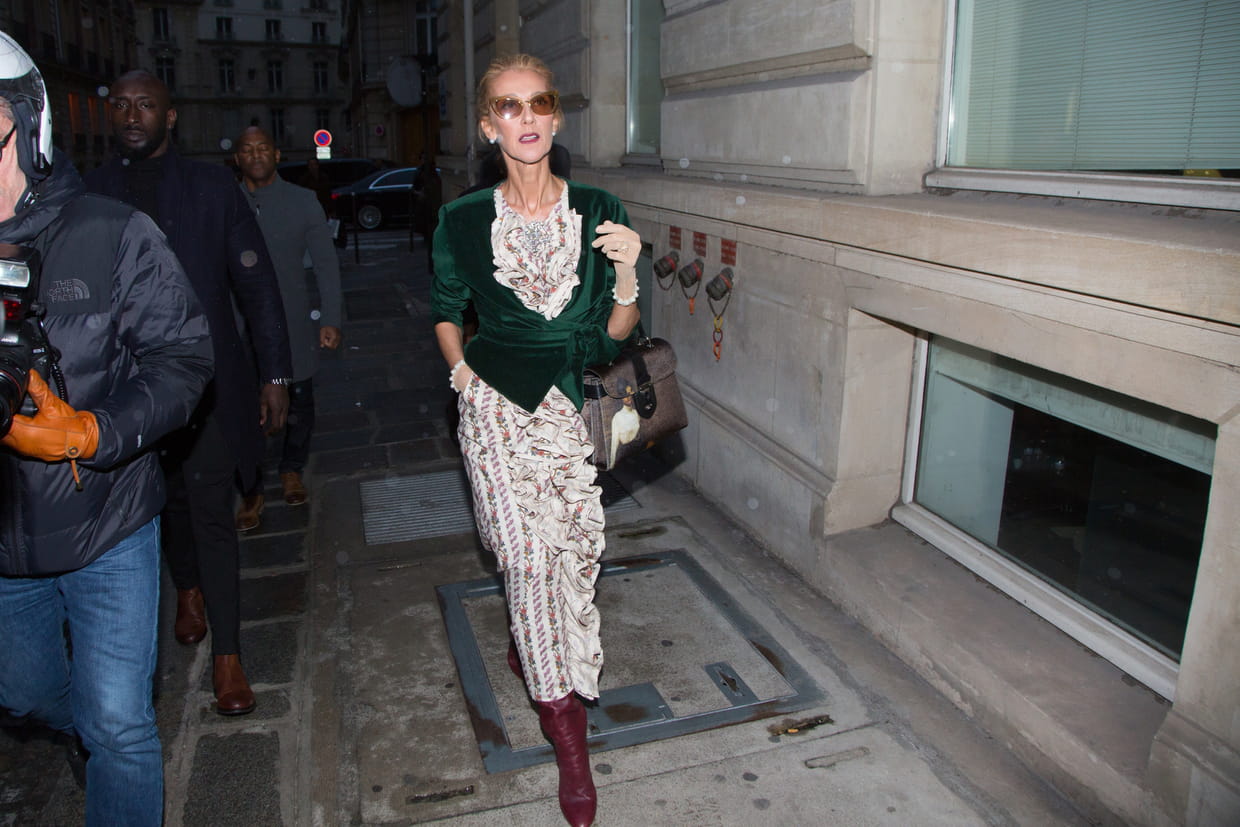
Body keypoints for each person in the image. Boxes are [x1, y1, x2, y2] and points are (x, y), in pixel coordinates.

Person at [0, 33, 213, 825]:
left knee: (121, 724)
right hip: (6, 537)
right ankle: (80, 724)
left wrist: (90, 433)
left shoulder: (111, 230)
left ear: (28, 123)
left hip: (108, 520)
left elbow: (183, 359)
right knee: (25, 694)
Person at [431, 54, 641, 827]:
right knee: (521, 558)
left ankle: (535, 645)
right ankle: (568, 739)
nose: (526, 117)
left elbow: (613, 335)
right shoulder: (460, 219)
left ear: (556, 116)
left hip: (565, 410)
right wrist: (461, 372)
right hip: (492, 406)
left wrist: (628, 274)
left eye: (539, 102)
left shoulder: (598, 207)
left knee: (571, 558)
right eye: (509, 106)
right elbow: (446, 306)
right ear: (490, 126)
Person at [86, 70, 293, 717]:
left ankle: (229, 656)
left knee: (212, 513)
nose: (132, 115)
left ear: (169, 116)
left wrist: (275, 374)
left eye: (146, 104)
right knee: (167, 503)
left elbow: (256, 283)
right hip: (125, 391)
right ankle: (188, 588)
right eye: (122, 105)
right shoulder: (91, 194)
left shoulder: (210, 187)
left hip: (206, 386)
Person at [233, 126, 342, 523]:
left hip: (292, 319)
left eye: (263, 148)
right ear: (237, 158)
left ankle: (292, 468)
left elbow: (326, 265)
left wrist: (330, 317)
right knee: (243, 405)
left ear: (277, 155)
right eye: (248, 149)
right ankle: (251, 487)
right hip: (240, 323)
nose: (256, 155)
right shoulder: (226, 202)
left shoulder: (302, 201)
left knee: (300, 399)